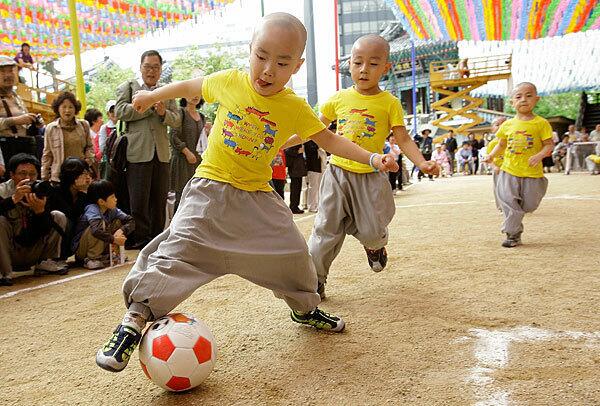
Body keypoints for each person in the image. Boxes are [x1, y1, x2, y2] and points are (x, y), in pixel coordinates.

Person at [95, 13, 401, 373]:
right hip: (210, 190)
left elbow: (330, 139)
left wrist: (373, 157)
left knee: (294, 253)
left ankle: (305, 309)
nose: (269, 69)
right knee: (175, 250)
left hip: (258, 197)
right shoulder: (230, 81)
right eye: (261, 56)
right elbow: (191, 86)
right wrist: (151, 95)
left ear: (297, 66)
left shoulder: (294, 107)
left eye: (282, 62)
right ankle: (135, 318)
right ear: (250, 51)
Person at [306, 34, 438, 299]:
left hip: (370, 175)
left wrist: (422, 163)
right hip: (337, 172)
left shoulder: (389, 103)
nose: (364, 69)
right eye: (358, 63)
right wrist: (282, 143)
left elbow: (401, 138)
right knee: (325, 227)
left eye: (373, 63)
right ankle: (315, 280)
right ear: (350, 65)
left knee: (371, 230)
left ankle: (375, 246)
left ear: (385, 68)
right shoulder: (337, 99)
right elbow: (313, 128)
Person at [115, 50, 181, 249]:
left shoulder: (167, 91)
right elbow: (119, 111)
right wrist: (147, 106)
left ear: (161, 70)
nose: (151, 71)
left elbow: (177, 119)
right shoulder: (129, 87)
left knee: (159, 199)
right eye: (148, 66)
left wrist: (163, 113)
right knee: (139, 200)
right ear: (140, 67)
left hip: (161, 152)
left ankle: (157, 238)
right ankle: (140, 238)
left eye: (155, 67)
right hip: (137, 152)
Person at [485, 82, 554, 248]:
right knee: (508, 201)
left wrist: (539, 155)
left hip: (532, 172)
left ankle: (516, 221)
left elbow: (549, 145)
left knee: (529, 205)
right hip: (509, 170)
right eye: (518, 96)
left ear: (536, 99)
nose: (524, 99)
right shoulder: (507, 125)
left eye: (529, 96)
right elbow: (501, 144)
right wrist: (491, 156)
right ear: (512, 103)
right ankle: (512, 234)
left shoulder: (541, 123)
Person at [0, 153, 68, 285]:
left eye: (32, 174)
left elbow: (47, 229)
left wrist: (40, 212)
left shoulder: (42, 190)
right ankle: (4, 273)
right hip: (9, 251)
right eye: (22, 173)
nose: (28, 178)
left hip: (32, 249)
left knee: (58, 216)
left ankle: (46, 263)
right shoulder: (2, 191)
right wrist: (13, 199)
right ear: (12, 175)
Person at [72, 180, 134, 270]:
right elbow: (95, 231)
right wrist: (114, 239)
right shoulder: (92, 209)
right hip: (82, 249)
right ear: (101, 201)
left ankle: (109, 254)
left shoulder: (112, 209)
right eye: (112, 197)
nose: (116, 199)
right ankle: (91, 258)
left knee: (117, 221)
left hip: (100, 243)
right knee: (100, 225)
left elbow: (130, 220)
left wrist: (122, 230)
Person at [41, 91, 95, 182]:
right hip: (59, 177)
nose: (67, 110)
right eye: (64, 107)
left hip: (80, 175)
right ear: (58, 108)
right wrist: (44, 176)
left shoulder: (84, 125)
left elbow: (89, 147)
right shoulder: (50, 128)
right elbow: (47, 154)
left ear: (75, 109)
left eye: (71, 107)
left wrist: (87, 162)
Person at [47, 157, 92, 260]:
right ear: (73, 176)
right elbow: (70, 217)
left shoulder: (83, 195)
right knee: (60, 217)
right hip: (54, 243)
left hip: (72, 242)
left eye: (88, 174)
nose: (88, 178)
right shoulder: (55, 193)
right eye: (84, 174)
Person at [0, 56, 40, 164]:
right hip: (6, 148)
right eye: (3, 72)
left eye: (11, 71)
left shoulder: (16, 97)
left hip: (25, 146)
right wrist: (16, 120)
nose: (8, 75)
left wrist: (34, 123)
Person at [169, 97, 204, 211]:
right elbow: (173, 136)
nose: (195, 96)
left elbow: (202, 141)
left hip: (197, 163)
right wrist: (187, 152)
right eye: (192, 93)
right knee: (181, 197)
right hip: (182, 162)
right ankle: (176, 227)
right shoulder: (180, 113)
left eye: (198, 94)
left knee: (196, 197)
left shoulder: (202, 117)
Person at [485, 117, 507, 210]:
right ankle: (501, 207)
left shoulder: (511, 141)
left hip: (512, 168)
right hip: (498, 169)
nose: (500, 127)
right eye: (497, 125)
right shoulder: (492, 143)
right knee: (498, 188)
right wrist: (494, 167)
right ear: (492, 129)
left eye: (503, 124)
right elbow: (488, 158)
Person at [284, 144, 306, 214]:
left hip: (297, 168)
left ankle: (295, 206)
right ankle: (294, 207)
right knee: (295, 189)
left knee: (297, 188)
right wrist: (297, 152)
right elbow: (287, 151)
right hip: (295, 168)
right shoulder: (294, 143)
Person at [302, 140, 322, 212]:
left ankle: (310, 204)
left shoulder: (313, 142)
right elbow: (311, 151)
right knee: (312, 187)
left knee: (315, 187)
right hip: (311, 167)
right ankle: (311, 206)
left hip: (316, 167)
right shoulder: (309, 142)